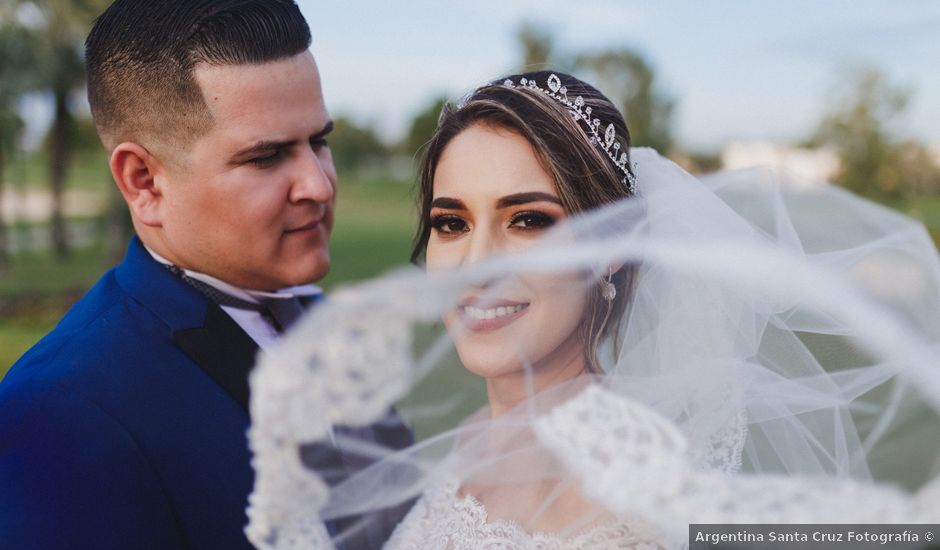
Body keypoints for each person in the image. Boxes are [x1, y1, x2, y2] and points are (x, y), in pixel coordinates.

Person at [247, 71, 940, 549]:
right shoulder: (465, 439)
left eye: (529, 222)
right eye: (451, 224)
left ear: (611, 247)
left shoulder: (640, 502)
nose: (480, 264)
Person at [0, 1, 411, 548]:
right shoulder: (60, 409)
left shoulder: (324, 320)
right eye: (265, 158)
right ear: (144, 181)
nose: (318, 184)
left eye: (319, 141)